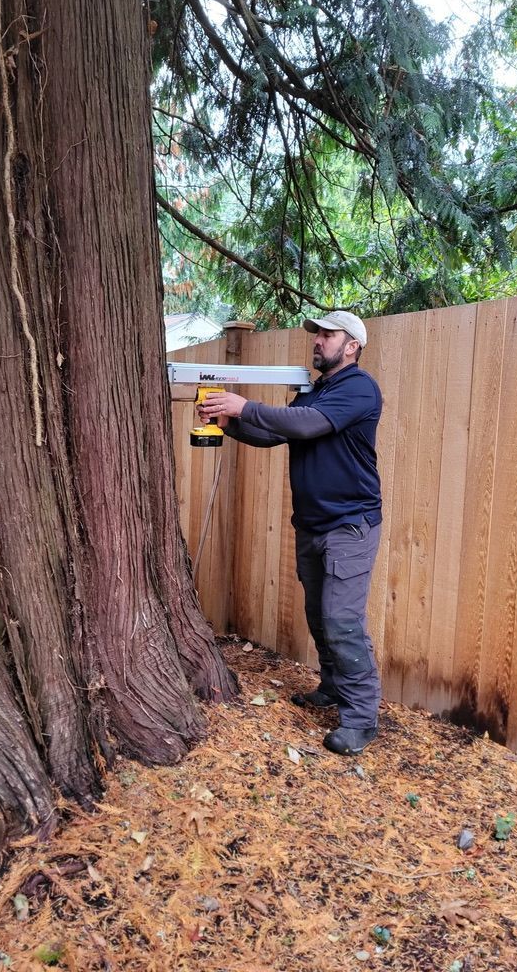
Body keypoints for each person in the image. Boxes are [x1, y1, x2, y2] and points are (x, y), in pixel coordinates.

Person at [197, 311, 383, 755]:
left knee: (342, 621)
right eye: (316, 334)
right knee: (321, 615)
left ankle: (361, 719)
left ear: (351, 345)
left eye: (327, 334)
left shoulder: (358, 388)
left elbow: (303, 425)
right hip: (314, 524)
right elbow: (277, 434)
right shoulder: (319, 392)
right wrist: (232, 423)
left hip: (349, 526)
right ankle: (333, 688)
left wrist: (244, 405)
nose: (317, 341)